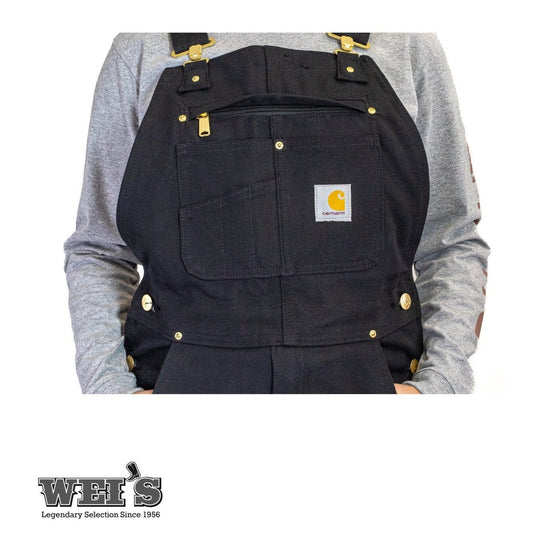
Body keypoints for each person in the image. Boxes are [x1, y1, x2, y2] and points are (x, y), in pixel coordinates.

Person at [64, 32, 489, 394]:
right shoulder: (142, 46)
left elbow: (451, 240)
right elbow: (100, 250)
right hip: (183, 396)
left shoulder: (406, 42)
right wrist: (110, 392)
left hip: (374, 394)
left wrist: (440, 386)